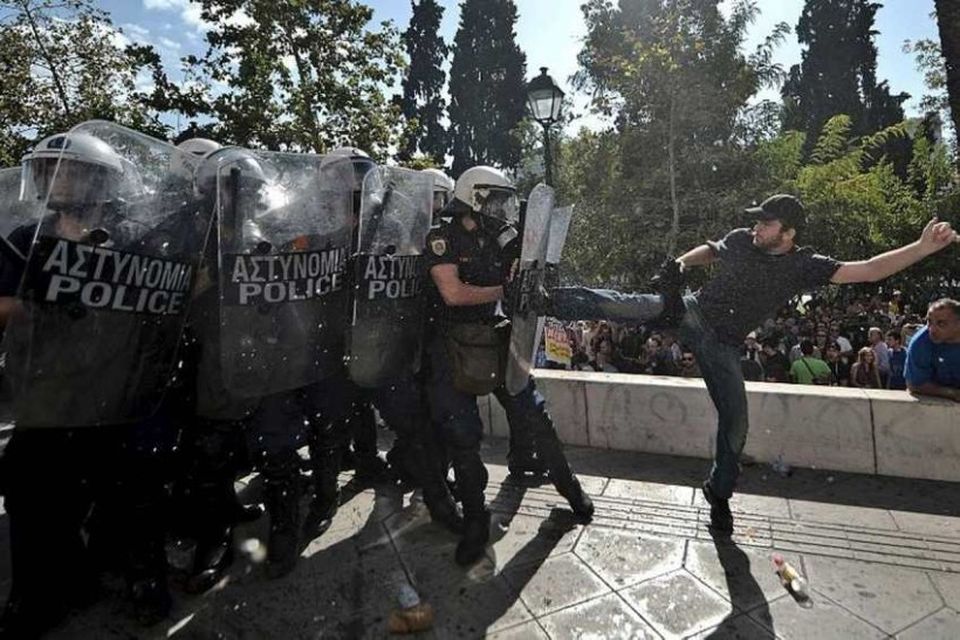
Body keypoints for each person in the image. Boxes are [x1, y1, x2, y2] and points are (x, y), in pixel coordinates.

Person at [544, 193, 957, 535]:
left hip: (723, 345)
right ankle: (551, 298)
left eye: (766, 224)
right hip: (692, 313)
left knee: (737, 422)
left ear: (788, 233)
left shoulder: (804, 265)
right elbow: (711, 248)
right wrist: (680, 266)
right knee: (632, 306)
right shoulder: (743, 239)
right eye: (757, 223)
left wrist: (922, 248)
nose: (757, 229)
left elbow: (868, 270)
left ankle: (718, 494)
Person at [0, 129, 208, 635]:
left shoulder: (139, 235)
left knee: (136, 491)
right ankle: (42, 591)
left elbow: (181, 294)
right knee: (30, 489)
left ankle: (142, 577)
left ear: (101, 181)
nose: (58, 182)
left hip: (122, 386)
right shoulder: (26, 239)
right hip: (49, 390)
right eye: (49, 172)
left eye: (70, 172)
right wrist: (42, 305)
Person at [424, 165, 593, 566]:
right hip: (451, 345)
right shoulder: (440, 237)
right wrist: (505, 288)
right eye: (496, 199)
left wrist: (536, 271)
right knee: (464, 437)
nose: (502, 208)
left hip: (495, 337)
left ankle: (570, 489)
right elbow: (452, 292)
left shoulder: (500, 236)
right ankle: (476, 523)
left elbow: (530, 262)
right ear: (475, 197)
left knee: (534, 414)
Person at [905, 298, 960, 401]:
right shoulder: (920, 342)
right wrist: (952, 393)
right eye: (929, 322)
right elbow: (914, 385)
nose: (932, 330)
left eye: (941, 323)